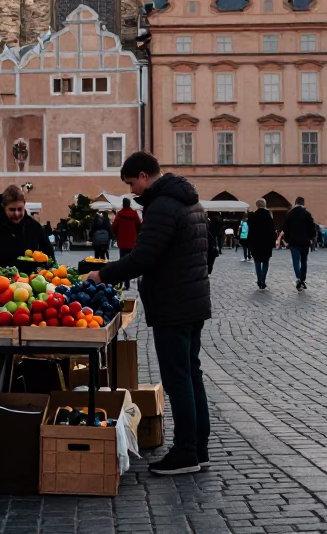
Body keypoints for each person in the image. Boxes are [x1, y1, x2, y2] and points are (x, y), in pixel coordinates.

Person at [87, 150, 211, 478]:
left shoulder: (162, 206)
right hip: (193, 301)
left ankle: (186, 452)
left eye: (132, 183)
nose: (132, 192)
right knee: (191, 373)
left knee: (178, 379)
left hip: (173, 304)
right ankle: (199, 447)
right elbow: (210, 250)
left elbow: (143, 257)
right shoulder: (191, 202)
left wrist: (102, 275)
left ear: (144, 175)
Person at [278, 196, 316, 291]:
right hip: (305, 241)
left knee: (295, 261)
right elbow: (312, 228)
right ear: (303, 203)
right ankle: (303, 279)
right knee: (304, 261)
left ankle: (298, 278)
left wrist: (287, 239)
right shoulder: (307, 214)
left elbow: (285, 228)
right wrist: (310, 238)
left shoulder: (290, 214)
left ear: (295, 203)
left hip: (293, 241)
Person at [111, 197, 143, 288]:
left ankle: (122, 281)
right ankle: (128, 282)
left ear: (123, 204)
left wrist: (116, 235)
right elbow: (139, 225)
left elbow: (114, 227)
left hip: (122, 242)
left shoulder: (119, 214)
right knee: (130, 262)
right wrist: (135, 235)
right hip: (132, 242)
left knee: (122, 261)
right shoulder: (134, 214)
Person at [247, 198, 277, 290]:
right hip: (267, 243)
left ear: (257, 205)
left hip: (256, 243)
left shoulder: (253, 216)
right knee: (265, 261)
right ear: (264, 205)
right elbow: (273, 231)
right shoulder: (269, 216)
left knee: (257, 262)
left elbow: (250, 231)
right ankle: (263, 280)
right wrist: (273, 242)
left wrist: (249, 243)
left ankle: (259, 279)